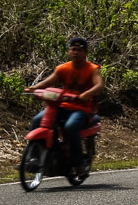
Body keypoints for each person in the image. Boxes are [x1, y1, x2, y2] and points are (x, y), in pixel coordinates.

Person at [26, 37, 104, 176]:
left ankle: (79, 164)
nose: (76, 53)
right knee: (38, 119)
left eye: (79, 50)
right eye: (73, 49)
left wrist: (87, 94)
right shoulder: (63, 68)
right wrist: (35, 88)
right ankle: (33, 158)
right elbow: (48, 81)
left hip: (81, 109)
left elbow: (99, 85)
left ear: (85, 53)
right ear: (69, 51)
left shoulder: (92, 69)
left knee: (70, 127)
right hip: (62, 105)